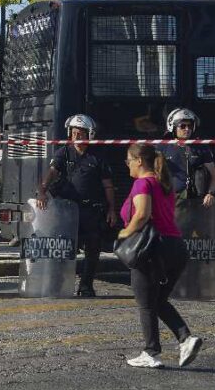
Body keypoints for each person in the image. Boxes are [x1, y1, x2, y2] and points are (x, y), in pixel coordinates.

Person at [118, 143, 203, 369]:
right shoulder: (164, 184)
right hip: (175, 247)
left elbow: (143, 214)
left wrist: (124, 233)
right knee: (158, 300)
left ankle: (151, 352)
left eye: (128, 160)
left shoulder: (142, 183)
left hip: (151, 248)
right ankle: (186, 338)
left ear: (139, 161)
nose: (127, 164)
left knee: (146, 303)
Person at [36, 114, 118, 297]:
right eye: (74, 133)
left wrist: (112, 209)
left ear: (90, 135)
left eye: (81, 133)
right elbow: (50, 174)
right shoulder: (63, 152)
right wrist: (42, 192)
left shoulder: (98, 156)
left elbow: (108, 185)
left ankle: (86, 286)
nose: (77, 137)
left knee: (93, 249)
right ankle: (58, 285)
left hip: (91, 211)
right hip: (66, 211)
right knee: (63, 248)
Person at [158, 108, 215, 207]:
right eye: (182, 126)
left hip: (196, 202)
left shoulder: (201, 147)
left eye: (190, 126)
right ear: (173, 127)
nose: (187, 129)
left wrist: (210, 193)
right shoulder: (162, 147)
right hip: (169, 201)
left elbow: (213, 176)